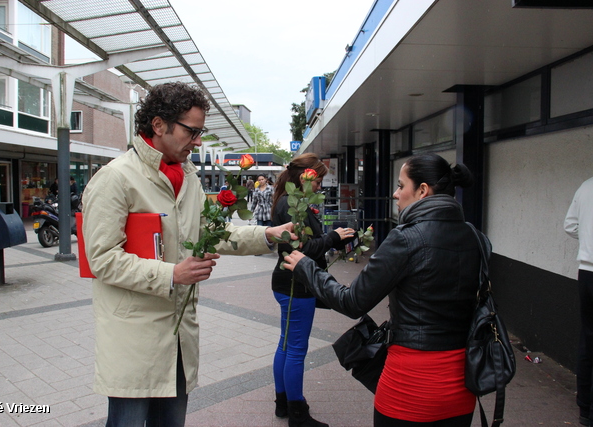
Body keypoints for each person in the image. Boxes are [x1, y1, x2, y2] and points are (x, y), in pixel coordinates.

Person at [81, 82, 295, 427]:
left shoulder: (189, 177)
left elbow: (209, 236)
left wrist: (267, 235)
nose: (198, 142)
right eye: (192, 131)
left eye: (200, 132)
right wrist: (171, 275)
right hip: (133, 340)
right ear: (159, 124)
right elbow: (102, 260)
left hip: (179, 339)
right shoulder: (115, 179)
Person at [283, 153, 485, 427]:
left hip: (409, 384)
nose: (395, 194)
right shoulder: (476, 237)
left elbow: (352, 301)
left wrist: (307, 267)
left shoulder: (405, 238)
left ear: (422, 190)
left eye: (401, 186)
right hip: (463, 383)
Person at [270, 153, 356, 427]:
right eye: (317, 179)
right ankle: (298, 414)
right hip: (297, 284)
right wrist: (332, 238)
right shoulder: (293, 204)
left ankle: (283, 404)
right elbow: (303, 250)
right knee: (295, 349)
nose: (320, 185)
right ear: (304, 177)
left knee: (285, 346)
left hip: (288, 282)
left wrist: (332, 240)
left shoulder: (288, 200)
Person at [564, 177, 593, 427]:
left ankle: (586, 407)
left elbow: (570, 226)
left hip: (586, 271)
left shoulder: (586, 186)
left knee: (588, 337)